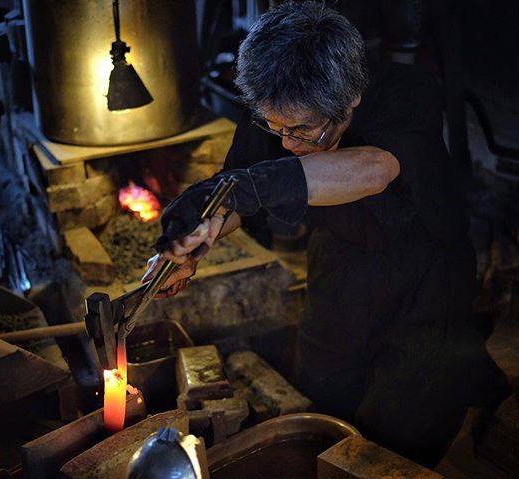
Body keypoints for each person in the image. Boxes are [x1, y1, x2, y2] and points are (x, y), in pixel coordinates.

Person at [142, 1, 509, 468]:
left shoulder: (407, 92)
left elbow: (374, 169)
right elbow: (236, 199)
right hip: (337, 262)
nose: (287, 142)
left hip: (422, 276)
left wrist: (255, 186)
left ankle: (464, 370)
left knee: (395, 439)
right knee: (322, 400)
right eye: (274, 127)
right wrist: (195, 243)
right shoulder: (277, 112)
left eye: (302, 131)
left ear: (351, 99)